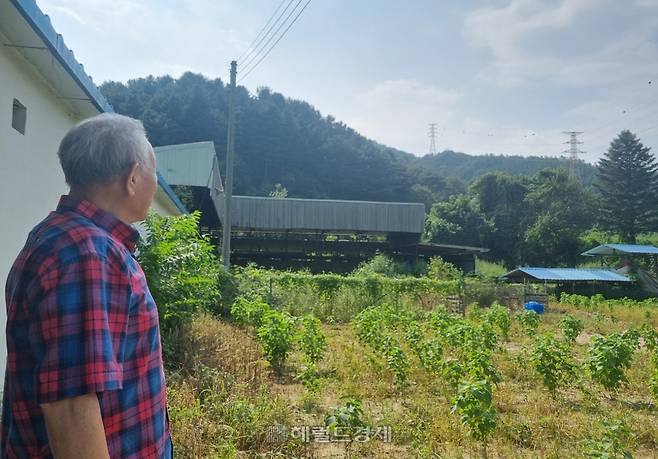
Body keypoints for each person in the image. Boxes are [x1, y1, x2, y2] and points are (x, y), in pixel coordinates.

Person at [1, 113, 173, 458]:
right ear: (133, 177)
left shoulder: (68, 237)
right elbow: (70, 406)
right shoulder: (88, 254)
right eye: (154, 170)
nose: (156, 181)